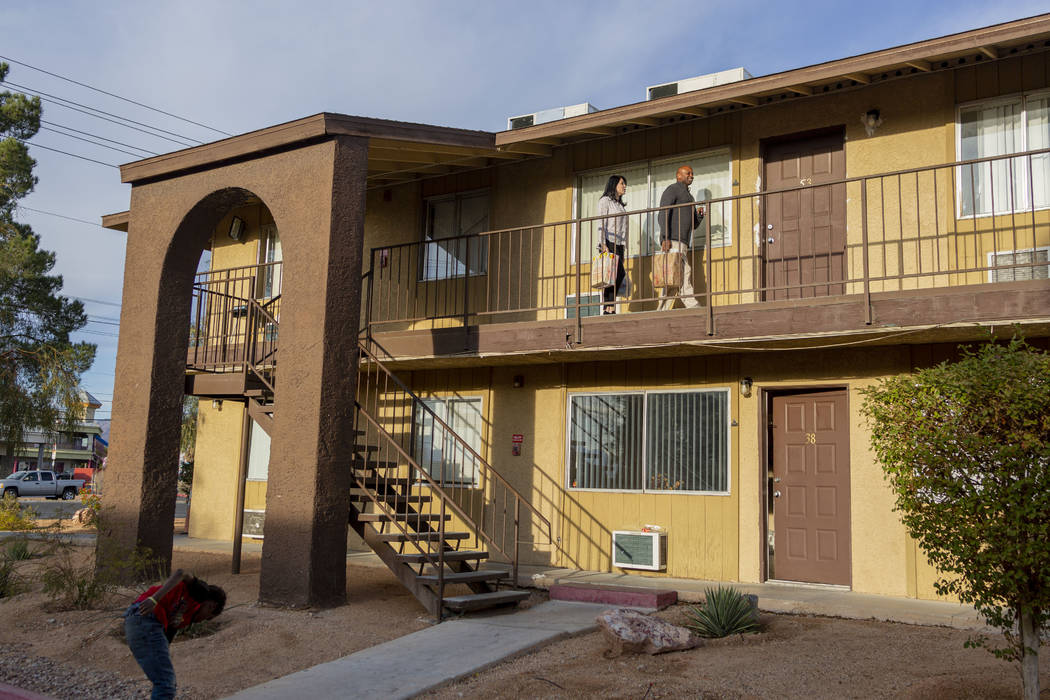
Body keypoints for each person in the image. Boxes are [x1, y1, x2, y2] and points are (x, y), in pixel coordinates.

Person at [124, 568, 227, 700]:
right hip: (145, 617)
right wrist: (155, 599)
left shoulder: (186, 619)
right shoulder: (201, 592)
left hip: (138, 624)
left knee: (165, 682)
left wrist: (172, 624)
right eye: (207, 617)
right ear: (211, 606)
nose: (201, 620)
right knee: (166, 685)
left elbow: (165, 642)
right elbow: (181, 573)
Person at [657, 165, 705, 310]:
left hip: (683, 243)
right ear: (678, 175)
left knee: (672, 279)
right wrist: (665, 237)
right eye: (688, 173)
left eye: (692, 173)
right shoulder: (673, 189)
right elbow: (663, 213)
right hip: (672, 241)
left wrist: (699, 216)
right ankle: (692, 305)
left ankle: (660, 313)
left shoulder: (689, 196)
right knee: (683, 273)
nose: (691, 176)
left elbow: (693, 225)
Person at [597, 175, 630, 314]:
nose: (624, 186)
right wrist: (602, 243)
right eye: (622, 183)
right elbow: (601, 222)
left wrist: (625, 245)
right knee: (611, 276)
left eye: (624, 184)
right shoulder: (605, 201)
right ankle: (608, 308)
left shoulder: (620, 205)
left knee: (616, 276)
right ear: (614, 185)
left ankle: (610, 307)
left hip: (620, 244)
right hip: (609, 242)